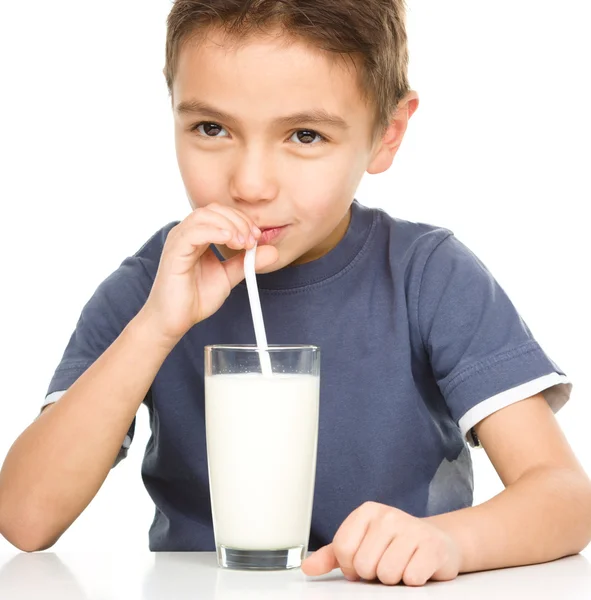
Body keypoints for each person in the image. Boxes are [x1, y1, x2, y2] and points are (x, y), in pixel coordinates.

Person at [1, 0, 590, 587]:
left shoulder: (428, 278)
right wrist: (155, 327)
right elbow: (25, 518)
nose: (250, 184)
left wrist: (447, 540)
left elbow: (565, 498)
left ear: (388, 134)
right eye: (212, 128)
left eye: (304, 135)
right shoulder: (150, 290)